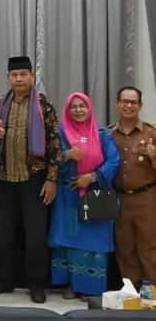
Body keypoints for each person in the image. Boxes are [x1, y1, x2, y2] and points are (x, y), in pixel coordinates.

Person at [0, 55, 61, 303]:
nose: (18, 79)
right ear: (8, 77)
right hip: (5, 179)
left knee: (35, 236)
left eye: (23, 74)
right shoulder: (0, 104)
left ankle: (36, 284)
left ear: (31, 76)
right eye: (14, 75)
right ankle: (3, 280)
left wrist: (51, 179)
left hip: (34, 180)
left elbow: (55, 144)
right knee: (4, 234)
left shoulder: (44, 106)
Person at [48, 92, 120, 298]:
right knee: (69, 239)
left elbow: (114, 161)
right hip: (68, 195)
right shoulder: (61, 134)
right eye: (74, 107)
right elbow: (49, 159)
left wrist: (92, 176)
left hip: (95, 195)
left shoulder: (101, 134)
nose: (78, 110)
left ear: (90, 108)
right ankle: (71, 285)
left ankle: (91, 288)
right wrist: (66, 155)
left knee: (94, 242)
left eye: (82, 106)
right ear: (67, 110)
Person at [110, 85, 156, 286]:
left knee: (149, 246)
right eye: (125, 101)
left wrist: (154, 157)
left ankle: (152, 290)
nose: (128, 106)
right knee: (124, 247)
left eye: (133, 102)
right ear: (117, 104)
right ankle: (131, 290)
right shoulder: (108, 135)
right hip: (119, 199)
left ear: (140, 105)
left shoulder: (151, 133)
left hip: (147, 198)